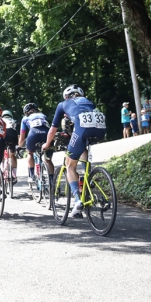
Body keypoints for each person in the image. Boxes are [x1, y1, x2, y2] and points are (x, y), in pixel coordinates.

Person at [42, 85, 106, 218]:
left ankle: (78, 200)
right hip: (100, 129)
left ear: (66, 96)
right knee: (82, 147)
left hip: (82, 130)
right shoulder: (88, 101)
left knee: (69, 165)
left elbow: (53, 130)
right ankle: (88, 177)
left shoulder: (62, 104)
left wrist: (47, 144)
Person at [17, 103, 55, 183]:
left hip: (34, 134)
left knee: (30, 153)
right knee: (48, 160)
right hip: (46, 134)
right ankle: (52, 181)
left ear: (26, 112)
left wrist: (19, 146)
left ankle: (31, 175)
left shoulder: (25, 118)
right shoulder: (43, 115)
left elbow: (22, 136)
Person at [1, 110, 18, 184]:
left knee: (0, 153)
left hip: (3, 135)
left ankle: (1, 170)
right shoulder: (13, 120)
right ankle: (14, 174)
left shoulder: (0, 120)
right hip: (13, 136)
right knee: (12, 155)